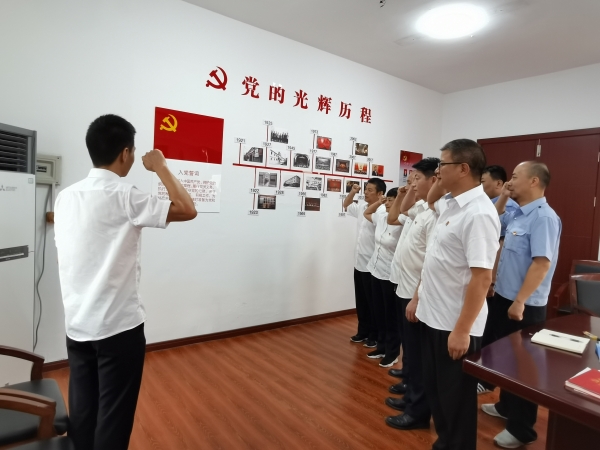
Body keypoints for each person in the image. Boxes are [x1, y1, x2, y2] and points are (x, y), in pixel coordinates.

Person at [54, 114, 197, 450]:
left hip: (77, 326)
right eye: (132, 152)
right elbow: (187, 208)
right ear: (125, 153)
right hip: (118, 328)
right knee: (114, 417)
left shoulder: (66, 197)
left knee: (84, 411)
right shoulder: (125, 195)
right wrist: (161, 166)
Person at [416, 139, 500, 450]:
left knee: (456, 401)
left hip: (454, 323)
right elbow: (431, 200)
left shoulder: (479, 214)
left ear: (463, 169)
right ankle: (445, 443)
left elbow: (482, 278)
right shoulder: (452, 204)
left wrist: (462, 330)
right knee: (437, 393)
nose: (437, 171)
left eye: (443, 164)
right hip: (432, 316)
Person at [481, 161, 561, 449]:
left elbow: (541, 264)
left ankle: (522, 429)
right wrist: (503, 196)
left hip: (524, 304)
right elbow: (493, 224)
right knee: (505, 358)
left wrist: (520, 301)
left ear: (534, 181)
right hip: (504, 295)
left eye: (515, 177)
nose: (509, 182)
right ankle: (506, 406)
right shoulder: (517, 212)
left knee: (524, 366)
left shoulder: (544, 217)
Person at [384, 157, 441, 431]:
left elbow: (429, 262)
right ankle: (410, 398)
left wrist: (417, 297)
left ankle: (417, 412)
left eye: (417, 178)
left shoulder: (437, 216)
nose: (413, 184)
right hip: (405, 288)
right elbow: (402, 210)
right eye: (411, 178)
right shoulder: (423, 210)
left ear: (434, 180)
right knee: (412, 352)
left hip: (416, 295)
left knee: (418, 357)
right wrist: (408, 190)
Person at [478, 165, 520, 394]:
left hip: (501, 284)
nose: (480, 186)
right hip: (497, 282)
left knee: (494, 333)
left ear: (498, 183)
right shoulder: (495, 205)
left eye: (483, 181)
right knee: (490, 330)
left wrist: (492, 279)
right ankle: (486, 377)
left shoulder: (512, 208)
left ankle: (487, 380)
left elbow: (498, 245)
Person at [363, 188, 405, 368]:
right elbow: (367, 212)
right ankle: (381, 347)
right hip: (375, 270)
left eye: (391, 200)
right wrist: (378, 202)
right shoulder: (381, 217)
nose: (387, 203)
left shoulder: (402, 222)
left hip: (390, 275)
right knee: (378, 313)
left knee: (391, 316)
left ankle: (392, 352)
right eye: (387, 199)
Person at [344, 178, 387, 348]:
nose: (366, 192)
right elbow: (346, 205)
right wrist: (353, 192)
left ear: (380, 193)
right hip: (359, 262)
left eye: (370, 190)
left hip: (372, 265)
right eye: (366, 189)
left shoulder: (382, 211)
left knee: (373, 303)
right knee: (361, 301)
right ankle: (363, 331)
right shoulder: (363, 206)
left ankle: (374, 335)